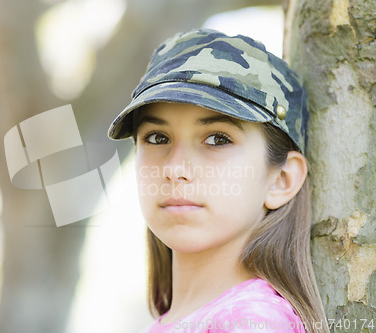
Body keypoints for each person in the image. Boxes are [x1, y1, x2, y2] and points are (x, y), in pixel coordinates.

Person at [107, 29, 328, 332]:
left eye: (218, 139)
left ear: (282, 179)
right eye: (157, 138)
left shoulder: (251, 322)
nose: (175, 168)